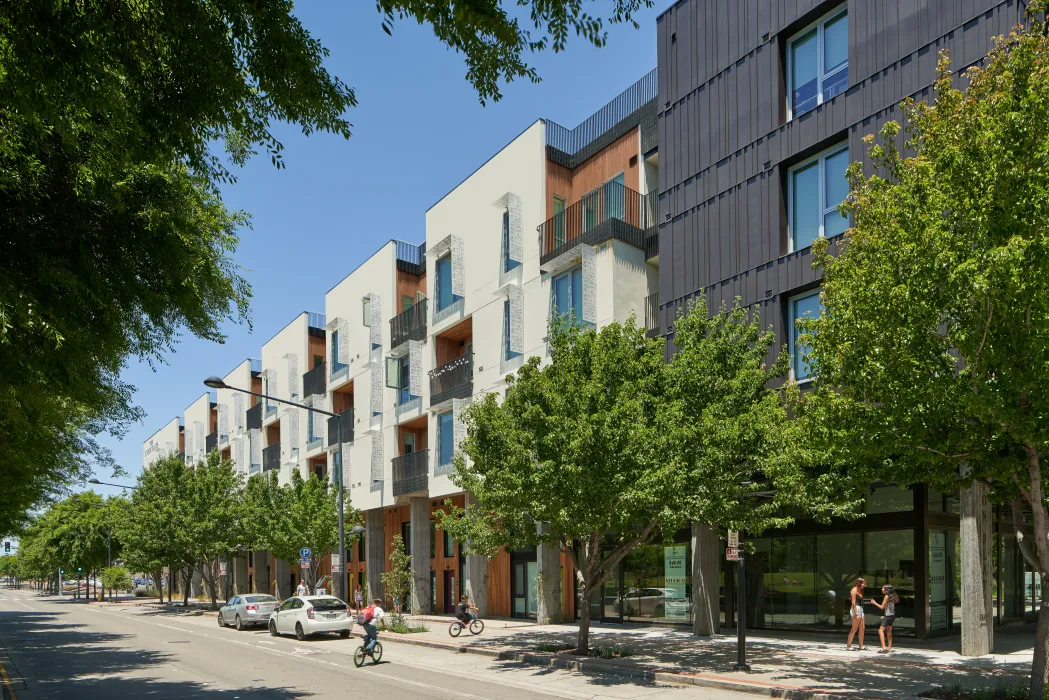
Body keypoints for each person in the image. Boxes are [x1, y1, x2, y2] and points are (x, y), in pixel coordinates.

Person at [871, 584, 899, 653]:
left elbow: (882, 607)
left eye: (883, 588)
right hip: (892, 616)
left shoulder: (887, 596)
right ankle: (889, 647)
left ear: (886, 590)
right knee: (888, 632)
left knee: (880, 631)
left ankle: (883, 647)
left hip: (888, 616)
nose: (881, 589)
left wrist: (874, 603)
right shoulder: (892, 596)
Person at [846, 577, 867, 651]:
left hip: (861, 609)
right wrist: (856, 613)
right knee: (854, 629)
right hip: (856, 609)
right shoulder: (854, 590)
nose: (865, 585)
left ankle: (861, 645)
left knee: (862, 628)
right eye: (864, 583)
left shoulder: (860, 590)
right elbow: (853, 603)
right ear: (859, 583)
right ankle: (848, 646)